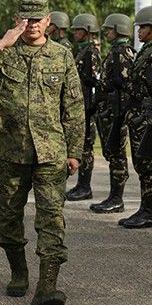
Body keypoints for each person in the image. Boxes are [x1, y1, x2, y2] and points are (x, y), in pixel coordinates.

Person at [0, 0, 84, 305]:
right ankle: (18, 271)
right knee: (8, 217)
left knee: (51, 218)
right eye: (25, 19)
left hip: (50, 152)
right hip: (10, 151)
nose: (32, 25)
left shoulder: (62, 55)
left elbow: (73, 107)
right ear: (17, 20)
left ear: (48, 21)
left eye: (37, 19)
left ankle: (47, 286)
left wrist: (75, 151)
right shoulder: (3, 51)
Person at [118, 6, 152, 229]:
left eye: (144, 27)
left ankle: (149, 212)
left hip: (145, 115)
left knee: (147, 165)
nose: (139, 31)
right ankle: (144, 209)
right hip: (137, 114)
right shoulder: (145, 51)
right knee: (140, 162)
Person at [90, 14, 135, 214]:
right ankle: (114, 196)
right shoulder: (122, 52)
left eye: (109, 29)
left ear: (118, 30)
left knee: (117, 154)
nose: (107, 32)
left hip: (116, 111)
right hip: (111, 110)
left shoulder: (120, 53)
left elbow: (123, 85)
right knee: (114, 152)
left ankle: (117, 198)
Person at [65, 14, 102, 201]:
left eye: (78, 30)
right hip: (79, 106)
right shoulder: (82, 51)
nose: (75, 33)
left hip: (87, 108)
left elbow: (95, 81)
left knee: (86, 148)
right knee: (80, 147)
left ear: (87, 31)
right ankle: (81, 184)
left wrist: (90, 108)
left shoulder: (91, 52)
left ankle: (85, 186)